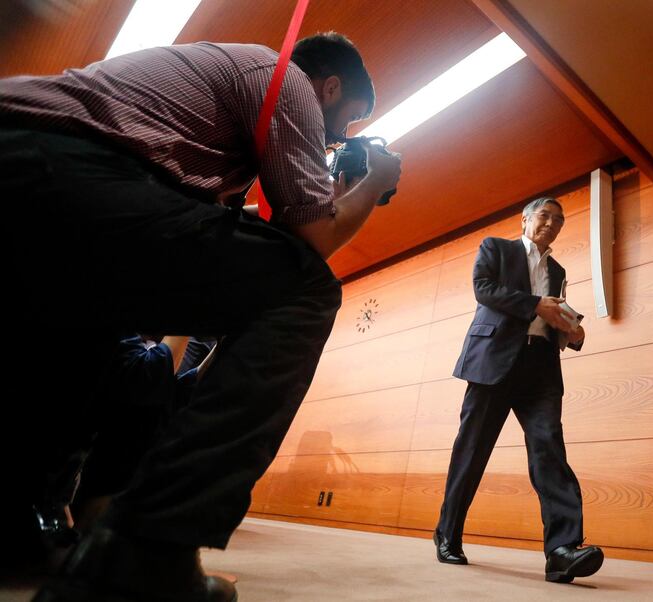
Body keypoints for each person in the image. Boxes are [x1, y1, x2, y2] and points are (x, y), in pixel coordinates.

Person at [0, 31, 401, 601]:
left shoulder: (209, 97)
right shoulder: (282, 76)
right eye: (348, 121)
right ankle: (144, 552)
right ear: (330, 87)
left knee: (83, 332)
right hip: (71, 172)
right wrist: (375, 182)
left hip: (30, 171)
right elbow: (309, 237)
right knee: (305, 289)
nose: (340, 137)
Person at [433, 197, 603, 584]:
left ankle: (561, 551)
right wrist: (535, 305)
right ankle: (448, 534)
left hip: (540, 368)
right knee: (471, 452)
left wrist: (572, 330)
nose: (552, 223)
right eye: (545, 216)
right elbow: (484, 289)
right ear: (525, 219)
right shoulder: (496, 247)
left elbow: (551, 310)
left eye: (558, 220)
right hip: (493, 361)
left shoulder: (557, 269)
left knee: (549, 450)